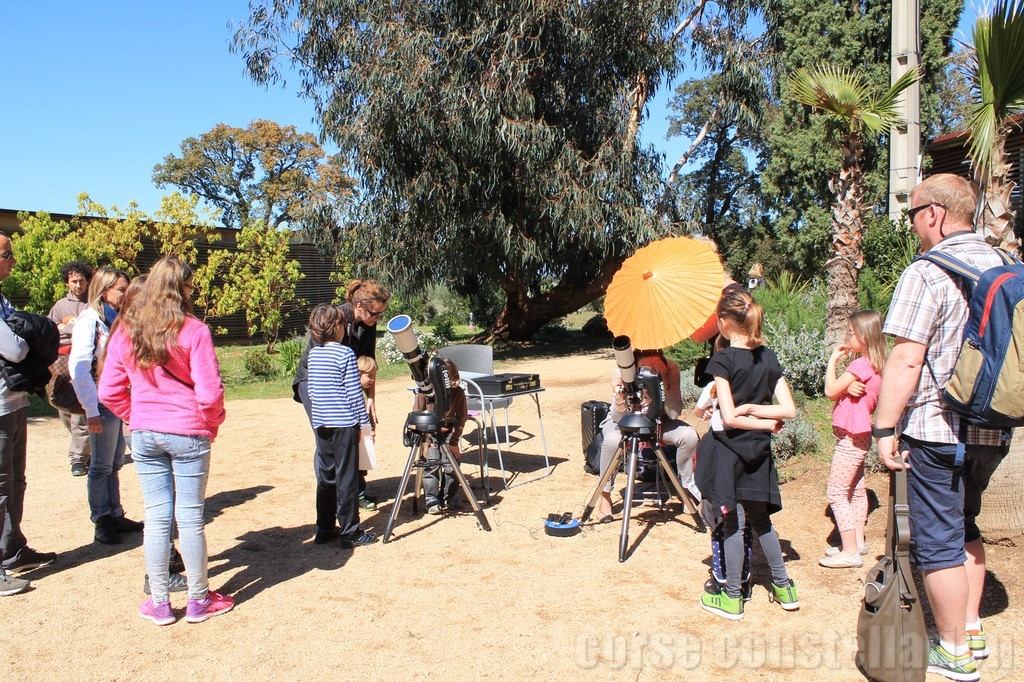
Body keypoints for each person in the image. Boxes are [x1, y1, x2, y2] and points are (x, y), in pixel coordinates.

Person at [873, 174, 1010, 681]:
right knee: (967, 524)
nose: (910, 224)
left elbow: (907, 360)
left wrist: (884, 428)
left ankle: (952, 650)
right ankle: (970, 628)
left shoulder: (926, 273)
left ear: (933, 214)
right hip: (993, 429)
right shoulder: (1007, 265)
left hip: (937, 430)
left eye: (912, 214)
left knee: (938, 542)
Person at [98, 255, 233, 625]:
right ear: (182, 288)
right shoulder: (194, 330)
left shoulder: (127, 330)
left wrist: (135, 415)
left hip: (144, 433)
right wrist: (212, 424)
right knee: (189, 519)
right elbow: (209, 394)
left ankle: (159, 603)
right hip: (188, 430)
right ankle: (198, 600)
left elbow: (109, 390)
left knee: (157, 519)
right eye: (190, 286)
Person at [695, 288, 798, 621]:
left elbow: (730, 416)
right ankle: (784, 588)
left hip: (729, 454)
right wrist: (765, 418)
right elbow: (790, 410)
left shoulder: (722, 360)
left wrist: (754, 416)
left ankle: (732, 596)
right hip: (758, 455)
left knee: (733, 526)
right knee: (763, 523)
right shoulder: (768, 356)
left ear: (724, 322)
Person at [293, 279, 391, 511]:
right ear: (359, 306)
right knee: (330, 435)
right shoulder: (334, 319)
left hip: (347, 380)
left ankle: (355, 492)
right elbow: (321, 366)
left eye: (381, 314)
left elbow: (369, 364)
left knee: (356, 431)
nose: (378, 318)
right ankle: (330, 497)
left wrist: (371, 399)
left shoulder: (368, 324)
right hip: (314, 382)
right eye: (375, 313)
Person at [0, 233, 57, 594]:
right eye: (7, 254)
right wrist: (32, 335)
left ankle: (11, 549)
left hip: (13, 400)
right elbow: (15, 348)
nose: (12, 261)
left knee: (15, 481)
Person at [71, 266, 143, 545]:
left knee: (114, 462)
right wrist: (91, 410)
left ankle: (114, 512)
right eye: (121, 289)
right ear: (104, 290)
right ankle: (101, 518)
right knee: (100, 465)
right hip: (100, 404)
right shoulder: (89, 321)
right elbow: (79, 368)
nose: (126, 294)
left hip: (117, 401)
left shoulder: (115, 319)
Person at [595, 349, 699, 521]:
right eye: (644, 368)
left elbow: (674, 413)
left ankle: (686, 489)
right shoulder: (625, 370)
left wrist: (664, 383)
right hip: (624, 421)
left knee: (688, 436)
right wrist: (620, 394)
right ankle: (604, 496)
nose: (649, 372)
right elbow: (617, 417)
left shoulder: (671, 368)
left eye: (654, 368)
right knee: (613, 441)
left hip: (658, 421)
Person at [305, 304, 377, 548]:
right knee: (347, 477)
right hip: (345, 424)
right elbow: (355, 394)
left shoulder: (314, 354)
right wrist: (364, 425)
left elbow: (312, 391)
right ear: (336, 327)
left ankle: (324, 528)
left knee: (327, 476)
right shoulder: (345, 354)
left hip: (321, 424)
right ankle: (351, 531)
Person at [819, 310, 886, 569]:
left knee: (836, 492)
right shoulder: (876, 364)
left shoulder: (858, 365)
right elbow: (850, 391)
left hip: (849, 438)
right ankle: (857, 541)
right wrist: (847, 387)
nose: (847, 336)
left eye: (851, 332)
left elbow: (828, 391)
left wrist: (833, 361)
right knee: (856, 490)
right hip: (862, 436)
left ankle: (849, 552)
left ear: (865, 336)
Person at [48, 261, 93, 476]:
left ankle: (78, 458)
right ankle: (87, 449)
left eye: (81, 281)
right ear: (67, 282)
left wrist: (67, 329)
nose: (78, 285)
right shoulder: (59, 306)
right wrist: (67, 329)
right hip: (62, 363)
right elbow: (52, 330)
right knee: (64, 409)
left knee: (81, 412)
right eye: (74, 281)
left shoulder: (92, 303)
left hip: (85, 362)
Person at [412, 357, 468, 515]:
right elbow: (417, 413)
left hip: (448, 433)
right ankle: (431, 498)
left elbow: (461, 418)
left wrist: (455, 441)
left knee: (452, 466)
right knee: (431, 466)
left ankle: (450, 496)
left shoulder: (458, 393)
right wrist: (425, 438)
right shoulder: (426, 393)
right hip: (429, 435)